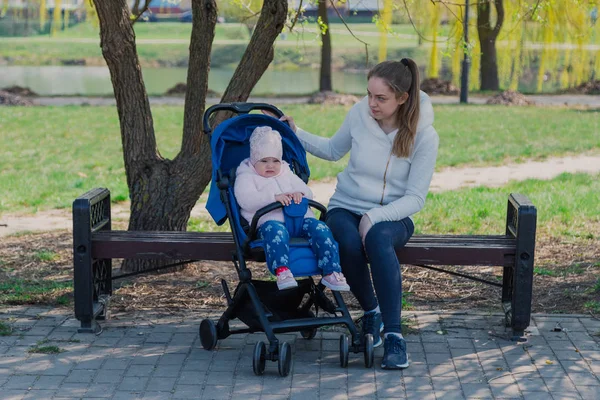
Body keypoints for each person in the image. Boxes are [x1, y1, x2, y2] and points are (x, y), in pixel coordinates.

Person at [268, 59, 439, 369]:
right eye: (369, 94)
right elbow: (333, 150)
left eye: (380, 98)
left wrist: (374, 217)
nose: (371, 103)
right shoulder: (361, 113)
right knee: (344, 238)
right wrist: (294, 131)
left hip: (393, 215)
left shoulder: (425, 136)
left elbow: (415, 198)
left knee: (376, 238)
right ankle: (371, 313)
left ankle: (394, 337)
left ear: (403, 98)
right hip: (346, 205)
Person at [234, 126, 351, 292]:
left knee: (321, 228)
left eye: (275, 161)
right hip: (269, 223)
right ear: (253, 161)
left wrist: (300, 194)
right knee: (276, 232)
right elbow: (246, 200)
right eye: (264, 161)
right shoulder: (246, 177)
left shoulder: (287, 173)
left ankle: (331, 271)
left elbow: (309, 193)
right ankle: (282, 270)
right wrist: (273, 198)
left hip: (300, 221)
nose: (271, 166)